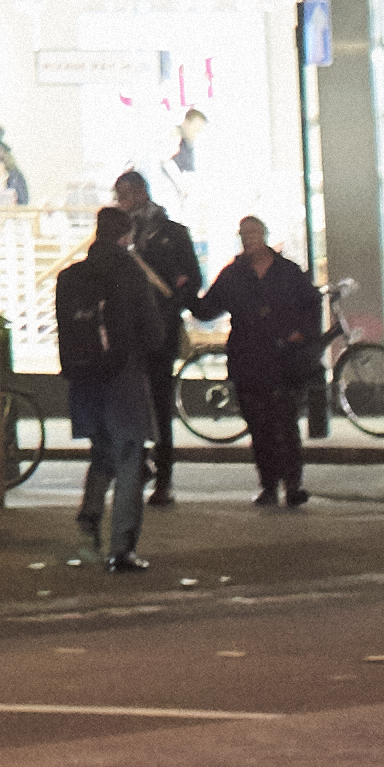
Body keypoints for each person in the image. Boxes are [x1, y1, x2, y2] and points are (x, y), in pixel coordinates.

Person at [54, 203, 164, 573]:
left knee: (101, 451)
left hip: (85, 379)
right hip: (122, 379)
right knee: (130, 455)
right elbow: (152, 332)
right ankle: (122, 547)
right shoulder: (128, 271)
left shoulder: (71, 276)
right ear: (126, 236)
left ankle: (89, 516)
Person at [213, 209, 329, 516]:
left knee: (285, 423)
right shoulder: (233, 274)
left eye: (253, 234)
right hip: (247, 360)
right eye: (243, 235)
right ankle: (268, 485)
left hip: (283, 361)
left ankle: (292, 485)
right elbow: (208, 306)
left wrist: (301, 335)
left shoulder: (288, 272)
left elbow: (311, 305)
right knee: (258, 426)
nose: (248, 240)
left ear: (264, 236)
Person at [110, 169, 209, 515]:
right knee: (128, 402)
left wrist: (169, 307)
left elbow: (191, 278)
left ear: (138, 193)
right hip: (127, 332)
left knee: (159, 400)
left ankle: (164, 476)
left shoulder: (172, 233)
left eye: (123, 195)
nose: (120, 203)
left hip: (160, 329)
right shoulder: (118, 235)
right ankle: (139, 466)